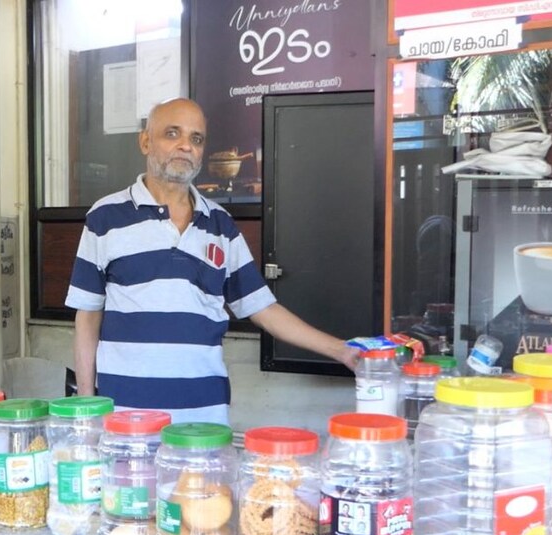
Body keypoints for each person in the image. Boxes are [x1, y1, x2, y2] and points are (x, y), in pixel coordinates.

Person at [65, 98, 359, 424]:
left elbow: (262, 308)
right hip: (126, 416)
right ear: (145, 141)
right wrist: (87, 404)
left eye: (196, 138)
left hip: (205, 418)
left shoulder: (220, 224)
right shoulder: (105, 217)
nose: (185, 146)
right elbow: (87, 316)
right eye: (172, 133)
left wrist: (342, 350)